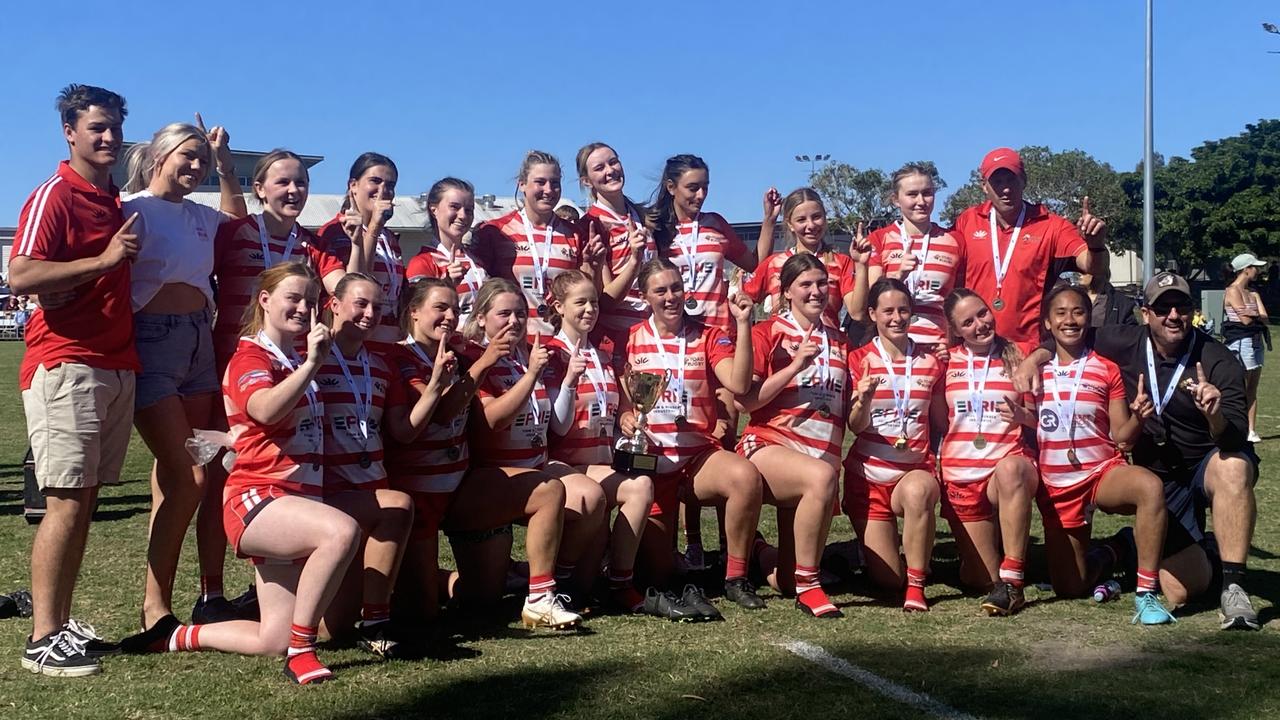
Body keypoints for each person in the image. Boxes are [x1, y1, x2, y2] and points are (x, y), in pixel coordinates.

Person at [125, 262, 361, 685]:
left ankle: (177, 636)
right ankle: (302, 651)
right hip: (258, 500)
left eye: (310, 300)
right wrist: (311, 366)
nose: (304, 308)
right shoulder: (251, 354)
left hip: (295, 499)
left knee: (271, 637)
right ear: (265, 300)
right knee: (340, 532)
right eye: (293, 298)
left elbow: (255, 427)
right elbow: (265, 409)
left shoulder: (289, 356)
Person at [1016, 271, 1260, 629]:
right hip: (1162, 476)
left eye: (1181, 307)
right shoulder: (1122, 341)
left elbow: (1236, 439)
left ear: (1192, 312)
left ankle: (1234, 586)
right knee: (1180, 589)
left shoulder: (1217, 358)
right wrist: (1033, 359)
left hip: (1203, 464)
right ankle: (1134, 545)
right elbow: (1068, 331)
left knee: (1234, 467)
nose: (1173, 316)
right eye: (1163, 308)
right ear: (1146, 314)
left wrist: (1215, 415)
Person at [11, 84, 140, 676]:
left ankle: (58, 624)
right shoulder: (56, 194)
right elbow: (20, 273)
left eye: (114, 127)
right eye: (96, 127)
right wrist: (105, 261)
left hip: (112, 363)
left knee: (81, 501)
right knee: (63, 502)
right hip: (67, 362)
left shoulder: (114, 200)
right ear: (69, 131)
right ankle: (42, 639)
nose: (108, 136)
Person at [201, 150, 358, 622]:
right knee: (213, 480)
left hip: (285, 367)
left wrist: (362, 238)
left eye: (301, 183)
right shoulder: (235, 232)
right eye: (283, 182)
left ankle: (268, 589)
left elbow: (344, 289)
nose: (293, 191)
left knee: (279, 467)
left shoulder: (309, 246)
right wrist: (226, 172)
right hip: (228, 368)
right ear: (261, 189)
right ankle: (210, 593)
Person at [116, 117, 249, 644]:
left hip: (199, 340)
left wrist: (226, 167)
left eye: (200, 159)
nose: (194, 166)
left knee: (179, 476)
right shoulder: (132, 211)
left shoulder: (199, 215)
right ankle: (155, 608)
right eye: (186, 157)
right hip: (152, 341)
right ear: (158, 158)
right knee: (191, 476)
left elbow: (236, 224)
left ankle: (166, 606)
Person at [1020, 283, 1174, 624]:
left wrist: (1138, 417)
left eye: (1078, 312)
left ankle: (1146, 593)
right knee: (1070, 587)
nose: (1070, 320)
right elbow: (1034, 423)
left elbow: (1122, 437)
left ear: (1089, 319)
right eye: (1060, 313)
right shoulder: (1035, 370)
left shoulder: (1105, 368)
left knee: (1149, 487)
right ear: (1047, 322)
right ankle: (1116, 549)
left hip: (1100, 472)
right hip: (1057, 483)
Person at [624, 259, 766, 610]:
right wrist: (626, 414)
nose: (671, 296)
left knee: (745, 477)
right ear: (645, 297)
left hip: (698, 457)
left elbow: (738, 382)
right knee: (657, 576)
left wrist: (743, 324)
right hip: (652, 460)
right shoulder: (630, 337)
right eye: (660, 290)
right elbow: (621, 394)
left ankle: (735, 577)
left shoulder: (706, 333)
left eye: (676, 287)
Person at [457, 278, 585, 629]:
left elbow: (551, 423)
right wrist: (531, 375)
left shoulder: (523, 355)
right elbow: (492, 421)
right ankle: (538, 598)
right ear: (481, 318)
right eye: (503, 314)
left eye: (520, 314)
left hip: (528, 472)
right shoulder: (473, 356)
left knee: (589, 496)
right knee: (478, 600)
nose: (513, 321)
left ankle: (564, 585)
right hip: (485, 481)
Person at [736, 254, 846, 618]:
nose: (816, 292)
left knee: (783, 578)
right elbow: (747, 402)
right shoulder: (766, 332)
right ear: (786, 292)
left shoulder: (841, 340)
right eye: (805, 285)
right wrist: (796, 365)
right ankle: (810, 587)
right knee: (821, 477)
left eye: (821, 283)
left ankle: (759, 551)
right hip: (770, 446)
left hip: (818, 455)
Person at [312, 273, 416, 656]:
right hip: (329, 492)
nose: (370, 313)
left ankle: (375, 619)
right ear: (334, 304)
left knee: (337, 629)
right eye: (361, 303)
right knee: (332, 631)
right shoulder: (311, 356)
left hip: (372, 484)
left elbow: (401, 431)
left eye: (377, 306)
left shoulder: (381, 364)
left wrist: (437, 386)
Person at [543, 270, 655, 613]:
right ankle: (557, 583)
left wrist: (628, 423)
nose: (590, 309)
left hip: (599, 464)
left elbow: (614, 412)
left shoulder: (603, 354)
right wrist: (570, 382)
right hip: (560, 464)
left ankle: (620, 581)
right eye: (581, 302)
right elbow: (557, 427)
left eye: (594, 301)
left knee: (641, 486)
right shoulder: (550, 353)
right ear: (559, 307)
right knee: (577, 584)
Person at [844, 278, 944, 612]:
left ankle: (917, 586)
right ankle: (870, 553)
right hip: (868, 477)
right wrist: (863, 401)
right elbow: (854, 427)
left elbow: (942, 420)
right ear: (872, 313)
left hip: (913, 471)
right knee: (887, 580)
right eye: (888, 311)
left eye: (903, 310)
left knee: (919, 493)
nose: (896, 318)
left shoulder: (931, 362)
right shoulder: (858, 358)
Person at [938, 289, 1038, 616]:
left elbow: (1043, 419)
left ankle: (1014, 579)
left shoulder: (1019, 354)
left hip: (1005, 467)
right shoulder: (945, 362)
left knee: (1011, 471)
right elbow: (940, 419)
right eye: (968, 322)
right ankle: (994, 558)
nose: (981, 324)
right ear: (955, 330)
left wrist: (1024, 418)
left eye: (982, 313)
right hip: (960, 474)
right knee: (980, 577)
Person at [952, 148, 1108, 347]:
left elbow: (1093, 266)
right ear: (984, 186)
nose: (1005, 189)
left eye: (1011, 180)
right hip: (976, 347)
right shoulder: (967, 221)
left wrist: (1095, 244)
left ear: (1024, 180)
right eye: (997, 182)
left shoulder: (1051, 225)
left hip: (1028, 349)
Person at [472, 151, 604, 343]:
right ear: (522, 184)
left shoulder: (575, 234)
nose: (549, 190)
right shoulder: (496, 232)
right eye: (540, 182)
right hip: (514, 346)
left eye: (555, 183)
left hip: (560, 347)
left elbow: (587, 296)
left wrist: (593, 267)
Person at [646, 154, 758, 333]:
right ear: (671, 187)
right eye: (693, 188)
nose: (701, 195)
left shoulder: (716, 224)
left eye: (705, 188)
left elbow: (754, 264)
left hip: (719, 330)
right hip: (676, 332)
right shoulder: (655, 229)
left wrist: (769, 219)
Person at [863, 164, 964, 345]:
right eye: (912, 194)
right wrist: (897, 276)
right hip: (893, 350)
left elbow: (960, 299)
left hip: (939, 348)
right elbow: (873, 298)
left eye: (927, 193)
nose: (921, 201)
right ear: (896, 199)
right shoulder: (879, 239)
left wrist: (953, 345)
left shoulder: (954, 240)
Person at [316, 153, 405, 353]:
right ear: (353, 185)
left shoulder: (389, 237)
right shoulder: (336, 231)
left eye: (390, 185)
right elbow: (355, 283)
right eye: (375, 181)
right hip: (356, 343)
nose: (383, 190)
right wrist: (373, 226)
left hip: (391, 344)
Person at [745, 187, 865, 330]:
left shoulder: (840, 262)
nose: (811, 225)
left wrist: (862, 265)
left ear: (825, 218)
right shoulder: (774, 263)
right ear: (790, 224)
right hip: (783, 349)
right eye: (801, 220)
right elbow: (743, 301)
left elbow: (857, 313)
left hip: (826, 348)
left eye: (816, 217)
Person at [576, 142, 656, 351]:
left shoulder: (644, 216)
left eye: (613, 162)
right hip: (618, 337)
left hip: (655, 329)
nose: (610, 171)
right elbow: (605, 301)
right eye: (599, 168)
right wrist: (635, 260)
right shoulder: (590, 226)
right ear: (586, 181)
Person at [405, 178, 487, 327]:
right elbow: (413, 320)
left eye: (469, 210)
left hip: (483, 348)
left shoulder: (478, 261)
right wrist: (448, 285)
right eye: (454, 207)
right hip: (449, 347)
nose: (463, 215)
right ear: (433, 209)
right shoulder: (422, 263)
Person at [1223, 253, 1269, 443]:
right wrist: (1254, 313)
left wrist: (1253, 313)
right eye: (1255, 267)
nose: (1257, 271)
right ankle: (1238, 428)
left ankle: (1251, 430)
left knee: (1253, 389)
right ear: (1246, 269)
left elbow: (1264, 317)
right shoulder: (1232, 291)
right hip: (1241, 343)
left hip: (1256, 342)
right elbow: (1245, 320)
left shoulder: (1253, 293)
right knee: (1240, 387)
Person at [1079, 263, 1138, 328]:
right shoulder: (1074, 297)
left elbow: (1131, 331)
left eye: (1084, 272)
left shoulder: (1120, 302)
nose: (1080, 274)